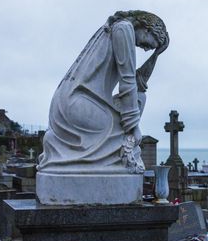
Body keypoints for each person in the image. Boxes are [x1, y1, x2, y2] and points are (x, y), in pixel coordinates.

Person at [38, 10, 169, 174]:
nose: (147, 49)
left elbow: (138, 84)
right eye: (152, 44)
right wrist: (133, 127)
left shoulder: (117, 27)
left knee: (139, 98)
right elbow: (127, 81)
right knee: (134, 112)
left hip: (70, 102)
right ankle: (119, 159)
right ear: (148, 29)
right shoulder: (124, 29)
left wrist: (157, 55)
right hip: (79, 104)